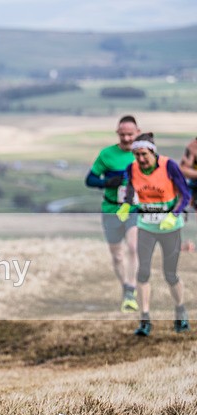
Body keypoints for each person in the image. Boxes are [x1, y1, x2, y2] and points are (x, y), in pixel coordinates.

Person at [118, 132, 191, 336]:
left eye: (144, 154)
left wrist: (173, 214)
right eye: (136, 155)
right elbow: (131, 190)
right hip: (146, 226)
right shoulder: (131, 169)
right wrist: (126, 206)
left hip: (170, 228)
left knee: (170, 274)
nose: (140, 159)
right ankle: (145, 320)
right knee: (143, 272)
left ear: (152, 151)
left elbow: (185, 195)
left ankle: (180, 312)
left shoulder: (169, 166)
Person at [85, 115, 141, 312]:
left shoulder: (144, 154)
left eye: (130, 134)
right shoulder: (107, 154)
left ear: (138, 133)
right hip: (111, 209)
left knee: (134, 247)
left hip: (134, 209)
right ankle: (126, 288)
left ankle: (131, 288)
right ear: (118, 134)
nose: (126, 138)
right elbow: (90, 179)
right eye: (122, 134)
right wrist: (106, 183)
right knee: (117, 255)